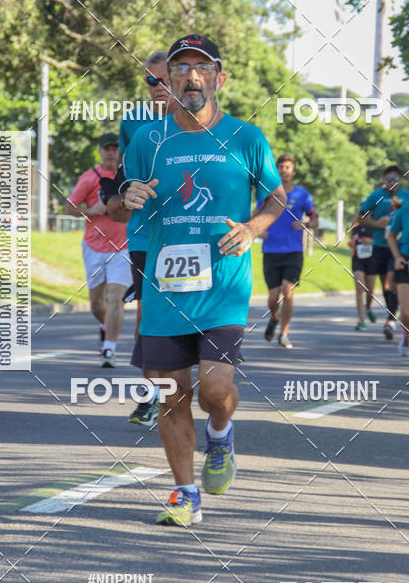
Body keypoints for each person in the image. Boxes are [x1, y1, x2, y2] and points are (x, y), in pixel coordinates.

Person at [107, 34, 286, 527]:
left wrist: (252, 229)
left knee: (213, 388)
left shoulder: (247, 138)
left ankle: (222, 431)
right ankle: (185, 493)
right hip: (165, 285)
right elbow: (114, 204)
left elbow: (276, 199)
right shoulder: (148, 139)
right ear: (168, 79)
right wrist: (129, 197)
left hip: (224, 283)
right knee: (169, 391)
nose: (191, 76)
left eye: (201, 68)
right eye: (181, 67)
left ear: (218, 79)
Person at [115, 51, 175, 426]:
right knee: (148, 310)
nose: (157, 88)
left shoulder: (199, 120)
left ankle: (205, 360)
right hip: (143, 234)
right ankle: (151, 394)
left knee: (187, 312)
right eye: (150, 81)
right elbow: (121, 175)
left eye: (164, 80)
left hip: (190, 232)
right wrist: (121, 192)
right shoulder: (133, 123)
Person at [66, 133, 130, 367]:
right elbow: (69, 208)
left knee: (116, 298)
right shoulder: (89, 177)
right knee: (96, 304)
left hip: (123, 248)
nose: (111, 152)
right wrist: (92, 210)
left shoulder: (129, 175)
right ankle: (105, 326)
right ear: (100, 151)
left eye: (115, 148)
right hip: (94, 246)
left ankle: (109, 350)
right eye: (107, 149)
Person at [260, 154, 318, 349]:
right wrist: (259, 230)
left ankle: (284, 334)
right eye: (281, 167)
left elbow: (315, 220)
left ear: (293, 171)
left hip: (293, 251)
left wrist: (306, 223)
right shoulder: (267, 194)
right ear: (275, 170)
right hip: (271, 251)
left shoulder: (303, 195)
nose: (284, 170)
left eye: (287, 167)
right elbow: (255, 217)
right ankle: (274, 317)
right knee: (273, 297)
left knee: (288, 290)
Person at [358, 165, 409, 340]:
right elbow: (360, 217)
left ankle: (390, 319)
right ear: (383, 181)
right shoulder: (376, 196)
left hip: (398, 247)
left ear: (400, 181)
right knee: (385, 285)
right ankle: (388, 314)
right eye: (388, 180)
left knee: (392, 281)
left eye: (395, 179)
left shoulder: (406, 197)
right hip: (379, 245)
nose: (392, 183)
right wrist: (376, 223)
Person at [386, 179, 409, 356]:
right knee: (406, 311)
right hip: (406, 261)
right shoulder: (404, 212)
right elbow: (391, 235)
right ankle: (408, 333)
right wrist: (397, 257)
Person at [349, 222, 376, 330]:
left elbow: (383, 242)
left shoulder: (376, 225)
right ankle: (361, 320)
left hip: (372, 260)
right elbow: (351, 240)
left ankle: (368, 308)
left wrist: (371, 242)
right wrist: (351, 243)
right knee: (359, 289)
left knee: (370, 292)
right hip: (357, 260)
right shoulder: (355, 225)